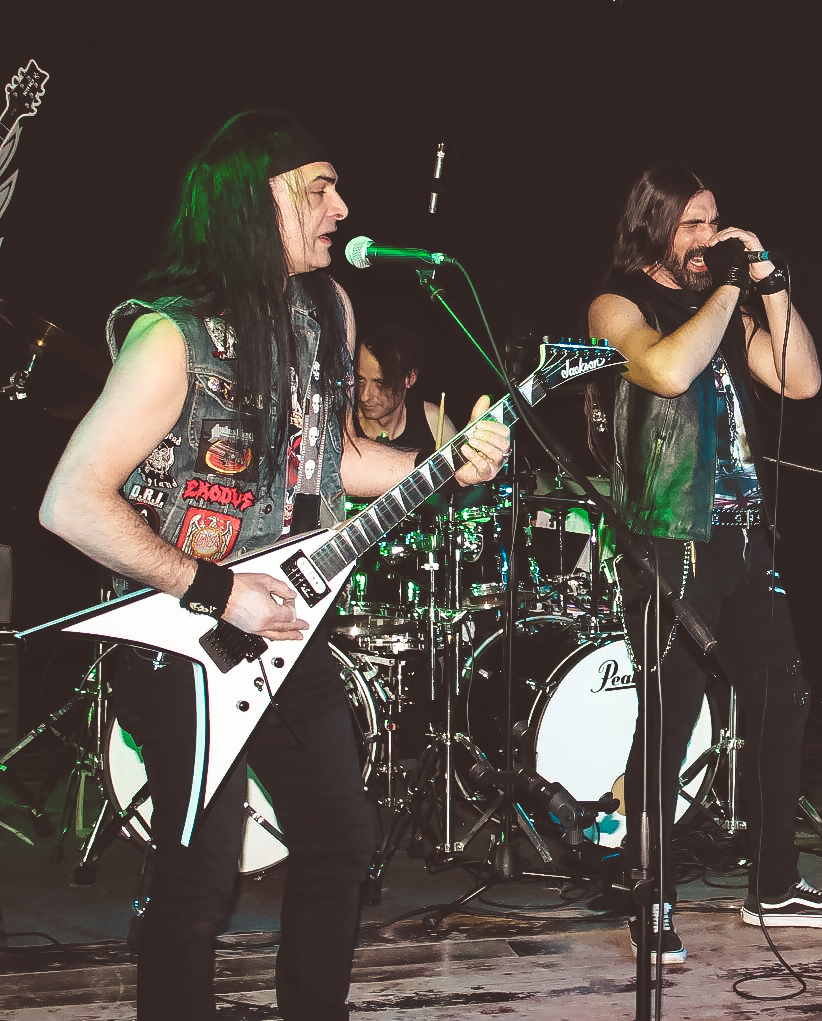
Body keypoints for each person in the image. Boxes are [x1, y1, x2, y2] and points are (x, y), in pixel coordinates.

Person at [37, 112, 511, 1019]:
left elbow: (334, 463)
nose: (342, 207)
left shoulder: (326, 311)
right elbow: (70, 502)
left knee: (341, 837)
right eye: (318, 189)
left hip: (288, 630)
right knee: (200, 872)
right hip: (179, 637)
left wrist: (450, 463)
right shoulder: (171, 336)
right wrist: (218, 589)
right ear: (256, 204)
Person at [586, 163, 822, 964]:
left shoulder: (728, 304)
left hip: (744, 537)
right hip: (670, 539)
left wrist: (766, 280)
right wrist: (730, 291)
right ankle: (651, 893)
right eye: (693, 224)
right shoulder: (616, 303)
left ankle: (774, 881)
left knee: (784, 700)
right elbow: (666, 369)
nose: (709, 237)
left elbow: (802, 379)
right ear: (653, 227)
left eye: (715, 221)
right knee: (669, 717)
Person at [351, 324, 459, 453]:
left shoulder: (434, 421)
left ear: (410, 378)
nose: (364, 396)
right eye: (360, 379)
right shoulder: (342, 425)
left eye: (380, 383)